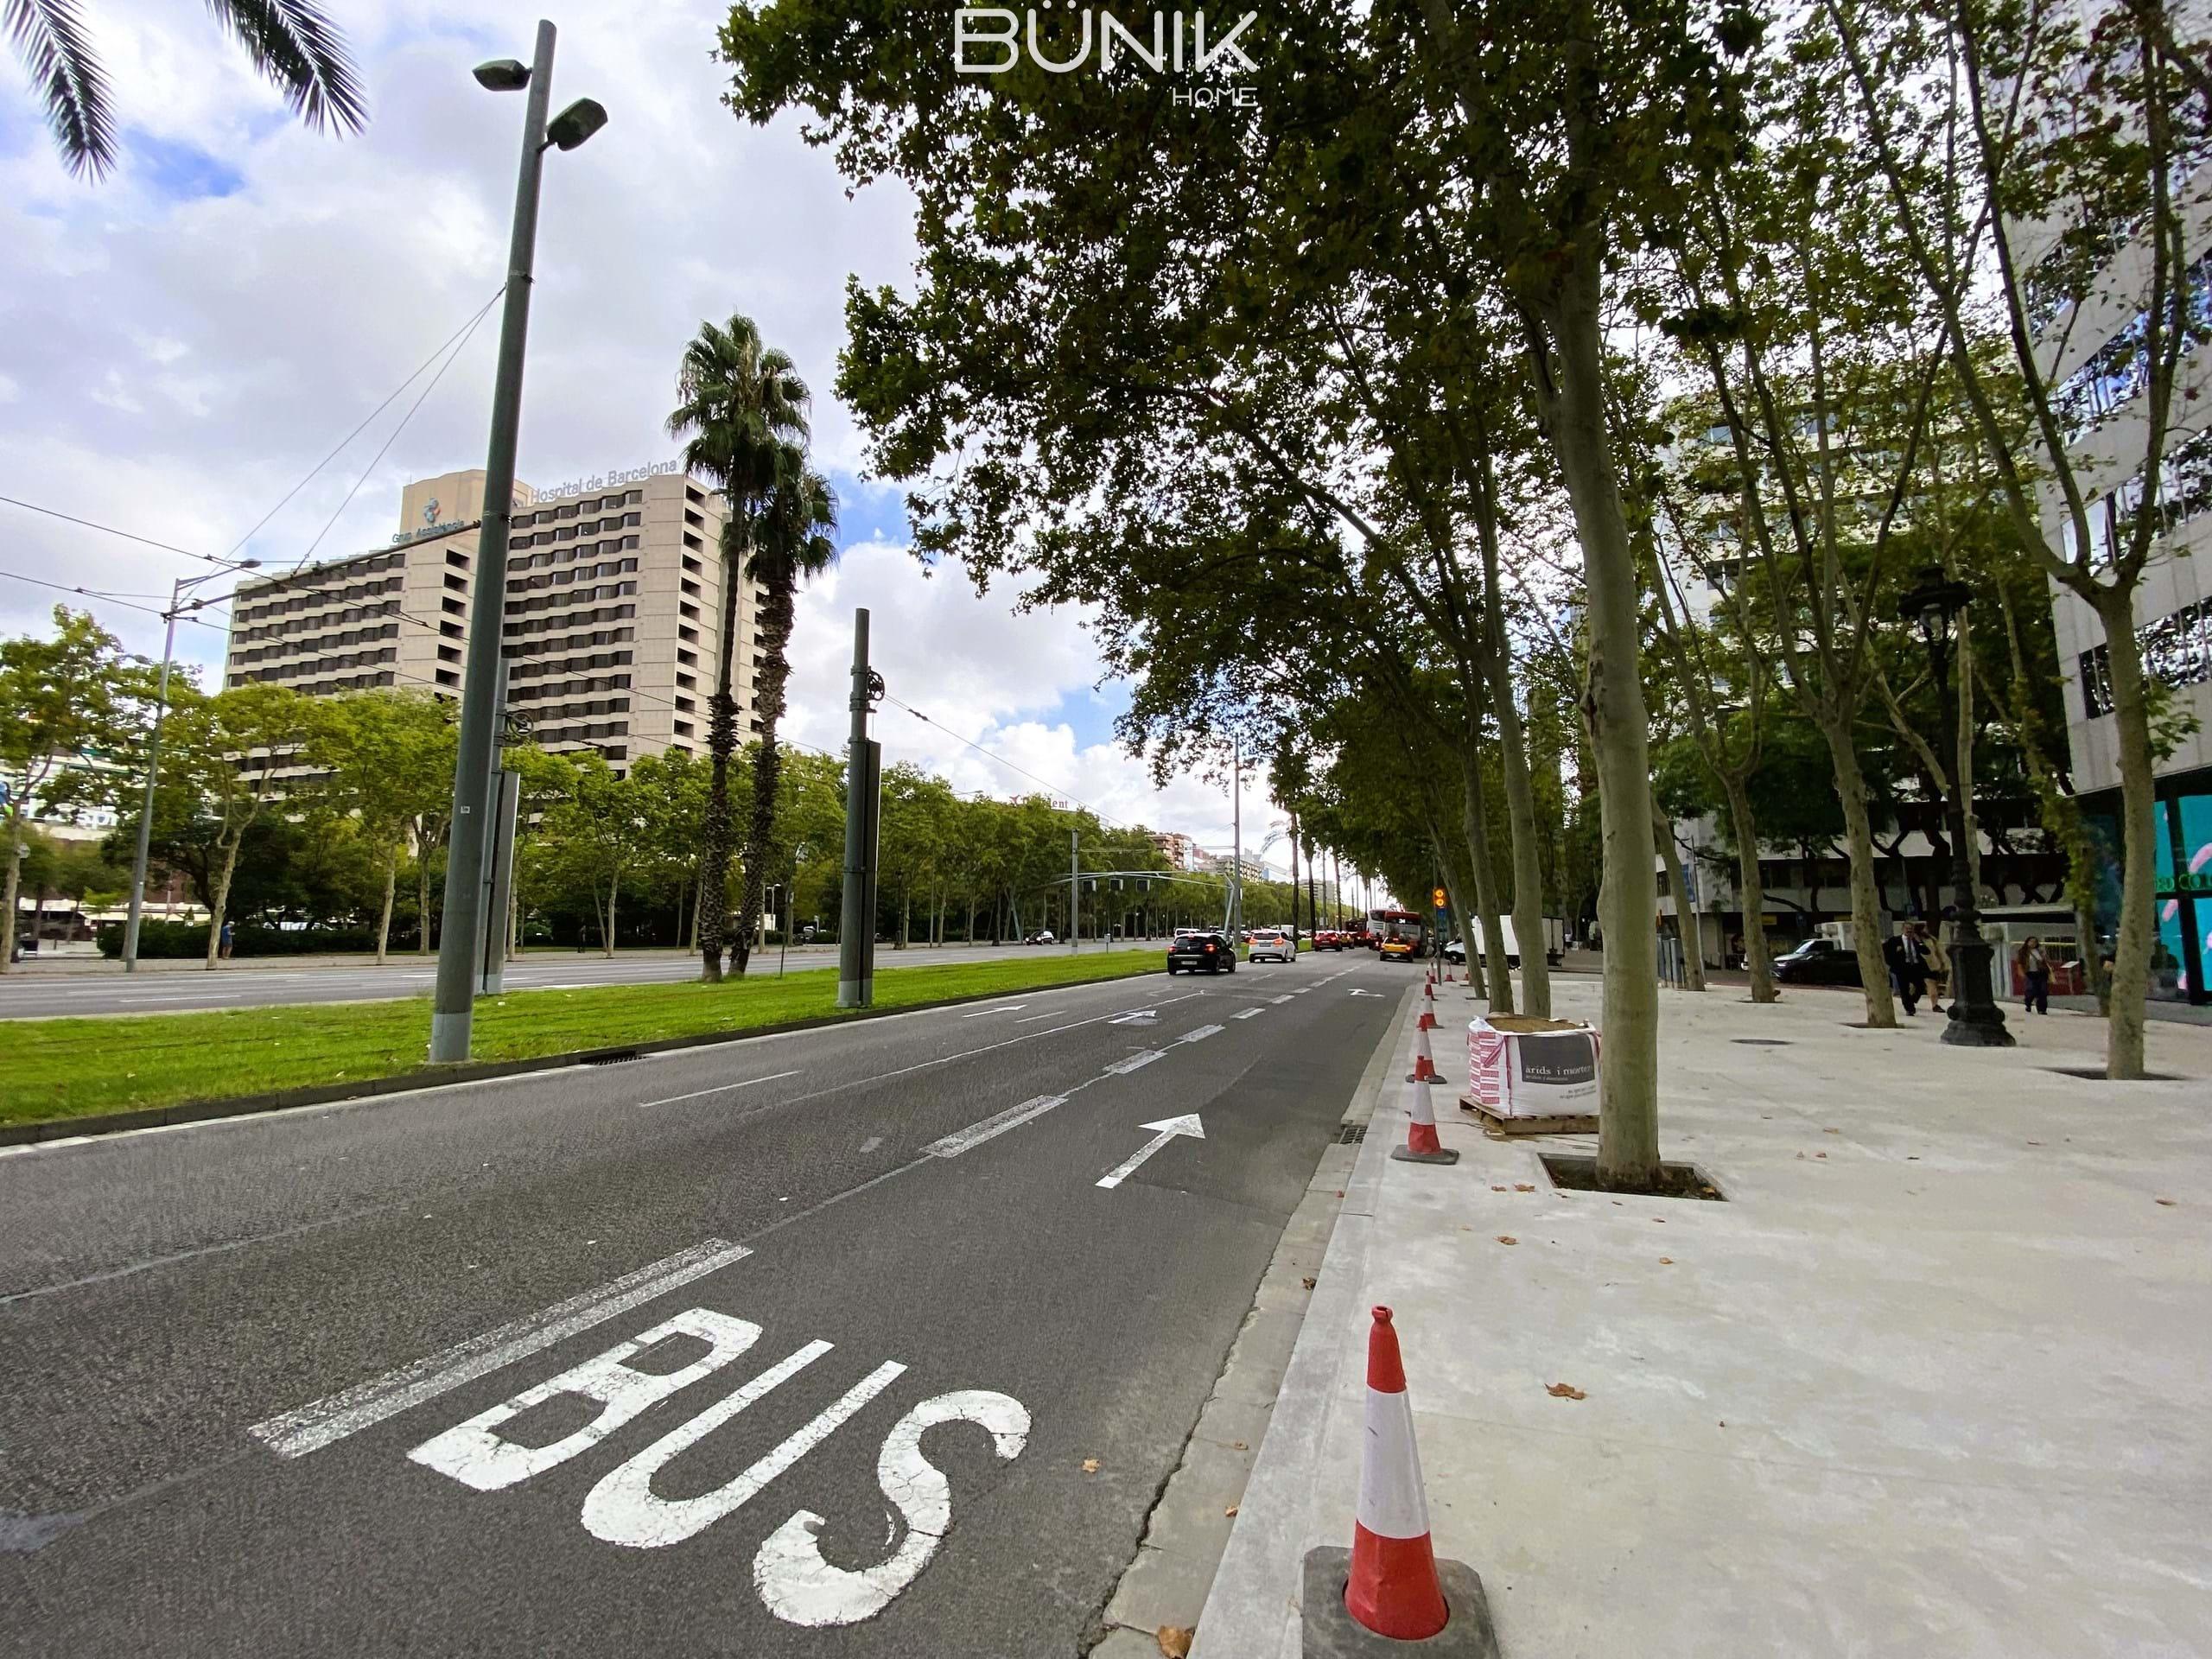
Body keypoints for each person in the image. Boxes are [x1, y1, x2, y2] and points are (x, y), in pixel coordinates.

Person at [1883, 921, 1929, 1015]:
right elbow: (1885, 951)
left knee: (1921, 986)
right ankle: (1909, 1009)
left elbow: (1927, 952)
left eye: (1911, 930)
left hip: (1915, 967)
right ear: (1903, 929)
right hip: (1902, 968)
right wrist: (1892, 960)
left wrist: (1919, 942)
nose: (1909, 932)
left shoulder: (1916, 941)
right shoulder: (1895, 940)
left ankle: (1912, 1000)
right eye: (1907, 930)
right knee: (1904, 990)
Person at [2018, 935, 2050, 1015]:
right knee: (2031, 990)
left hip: (2041, 973)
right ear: (2027, 942)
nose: (2033, 943)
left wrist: (2045, 956)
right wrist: (2022, 973)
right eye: (2031, 941)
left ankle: (2042, 1009)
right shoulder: (2023, 952)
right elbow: (2020, 963)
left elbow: (2045, 962)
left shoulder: (2039, 951)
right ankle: (2028, 1002)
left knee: (2043, 991)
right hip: (2030, 974)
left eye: (2035, 942)